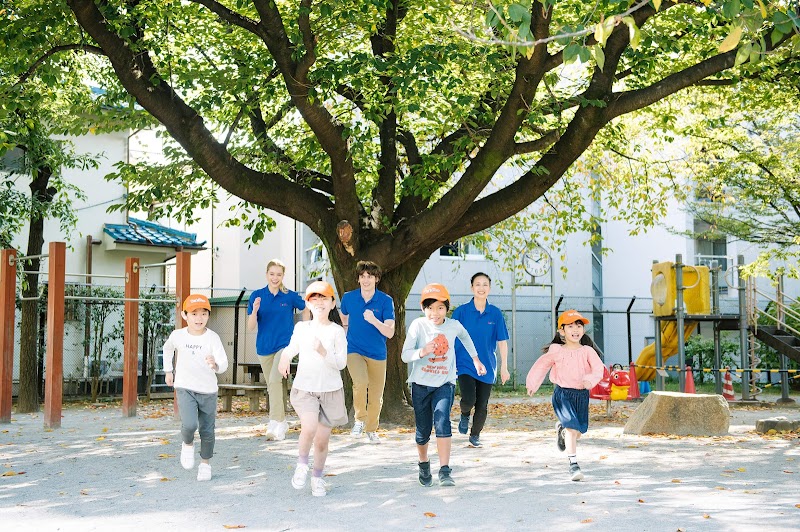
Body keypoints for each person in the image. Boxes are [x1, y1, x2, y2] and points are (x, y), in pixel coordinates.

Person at [401, 283, 486, 487]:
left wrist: (475, 359)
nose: (435, 313)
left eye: (440, 307)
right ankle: (423, 463)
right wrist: (421, 352)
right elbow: (405, 355)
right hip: (420, 385)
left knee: (442, 422)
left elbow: (465, 337)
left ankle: (445, 470)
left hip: (444, 383)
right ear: (423, 309)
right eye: (430, 308)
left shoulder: (453, 325)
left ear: (447, 308)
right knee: (422, 432)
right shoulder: (418, 326)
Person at [278, 280, 348, 497]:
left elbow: (341, 363)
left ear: (332, 303)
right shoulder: (302, 328)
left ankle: (317, 478)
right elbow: (291, 348)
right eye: (313, 298)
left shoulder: (337, 331)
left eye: (324, 298)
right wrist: (284, 358)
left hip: (330, 391)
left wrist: (324, 352)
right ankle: (301, 465)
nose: (319, 302)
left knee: (321, 441)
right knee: (308, 427)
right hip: (305, 388)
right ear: (308, 304)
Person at [525, 309, 604, 481]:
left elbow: (599, 369)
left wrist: (590, 380)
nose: (575, 329)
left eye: (578, 325)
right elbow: (542, 365)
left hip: (581, 395)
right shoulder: (556, 350)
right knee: (572, 428)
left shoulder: (587, 351)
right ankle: (573, 465)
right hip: (563, 395)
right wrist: (532, 383)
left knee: (579, 431)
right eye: (570, 326)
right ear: (562, 331)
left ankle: (562, 430)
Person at [163, 294, 229, 481]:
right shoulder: (178, 336)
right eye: (194, 314)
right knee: (190, 424)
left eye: (203, 314)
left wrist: (215, 365)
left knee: (207, 430)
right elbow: (167, 349)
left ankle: (205, 464)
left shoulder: (213, 338)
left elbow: (224, 363)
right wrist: (168, 371)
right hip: (185, 387)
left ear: (208, 315)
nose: (199, 318)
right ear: (185, 315)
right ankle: (187, 443)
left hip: (208, 390)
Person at [247, 259, 308, 441]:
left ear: (283, 276)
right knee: (275, 385)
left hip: (285, 346)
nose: (275, 278)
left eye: (279, 274)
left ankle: (276, 421)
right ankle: (282, 422)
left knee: (274, 380)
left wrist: (304, 329)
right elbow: (251, 326)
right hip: (264, 347)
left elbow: (305, 308)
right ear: (267, 275)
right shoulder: (257, 296)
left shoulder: (289, 296)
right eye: (272, 274)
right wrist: (255, 310)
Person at [452, 272, 510, 448]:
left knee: (482, 404)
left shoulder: (495, 313)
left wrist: (504, 367)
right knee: (469, 399)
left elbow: (502, 341)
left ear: (489, 289)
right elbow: (450, 336)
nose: (481, 288)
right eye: (478, 284)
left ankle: (475, 435)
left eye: (485, 284)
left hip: (487, 366)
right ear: (472, 288)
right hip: (465, 363)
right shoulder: (461, 312)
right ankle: (464, 413)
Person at [340, 261, 395, 443]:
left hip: (377, 353)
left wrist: (373, 320)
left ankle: (371, 429)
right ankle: (359, 420)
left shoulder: (385, 301)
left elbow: (390, 332)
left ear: (376, 279)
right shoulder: (348, 298)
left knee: (376, 396)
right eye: (362, 276)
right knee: (360, 382)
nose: (366, 280)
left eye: (370, 276)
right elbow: (344, 320)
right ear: (358, 279)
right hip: (354, 349)